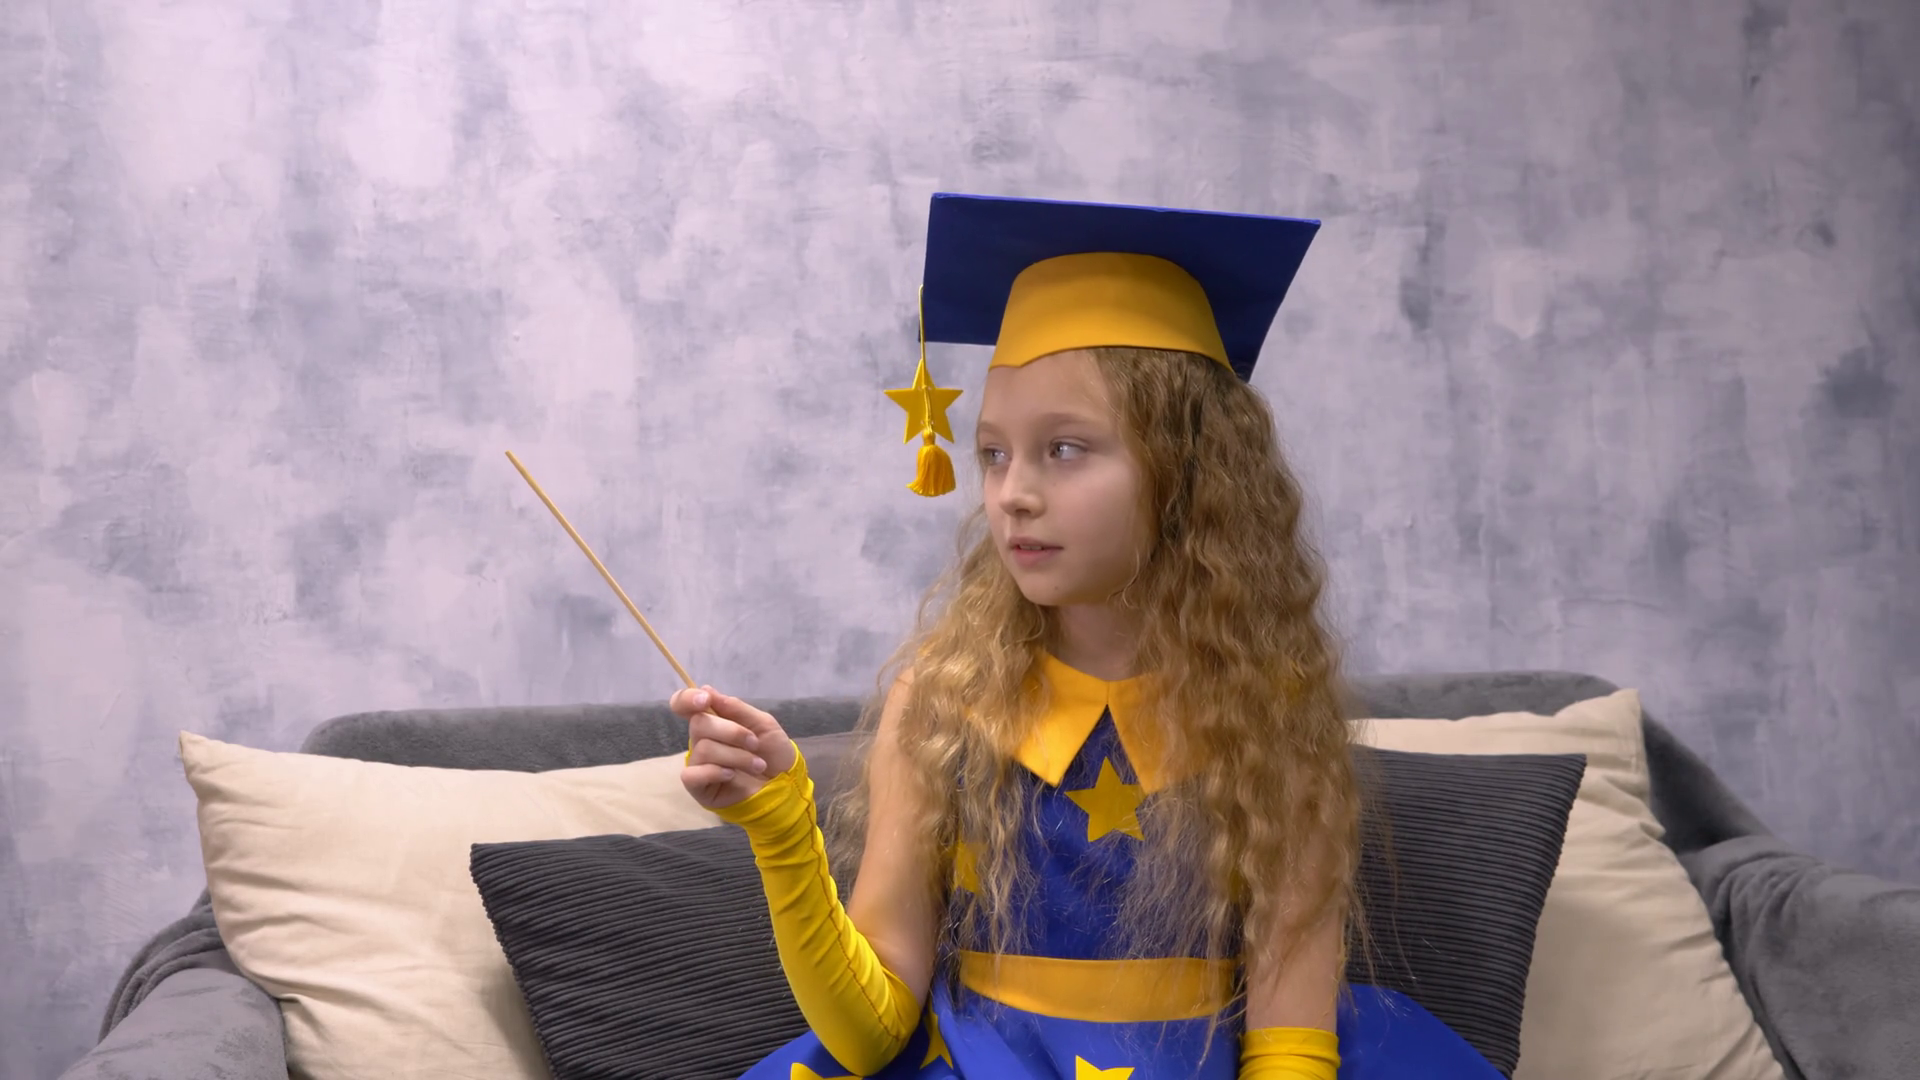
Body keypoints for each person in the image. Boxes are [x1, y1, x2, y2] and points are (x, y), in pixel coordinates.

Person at [669, 195, 1503, 1079]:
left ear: (1189, 474)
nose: (1013, 494)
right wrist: (782, 826)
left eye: (1064, 449)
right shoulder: (944, 702)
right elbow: (868, 1036)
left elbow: (1288, 1043)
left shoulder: (1273, 721)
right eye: (994, 453)